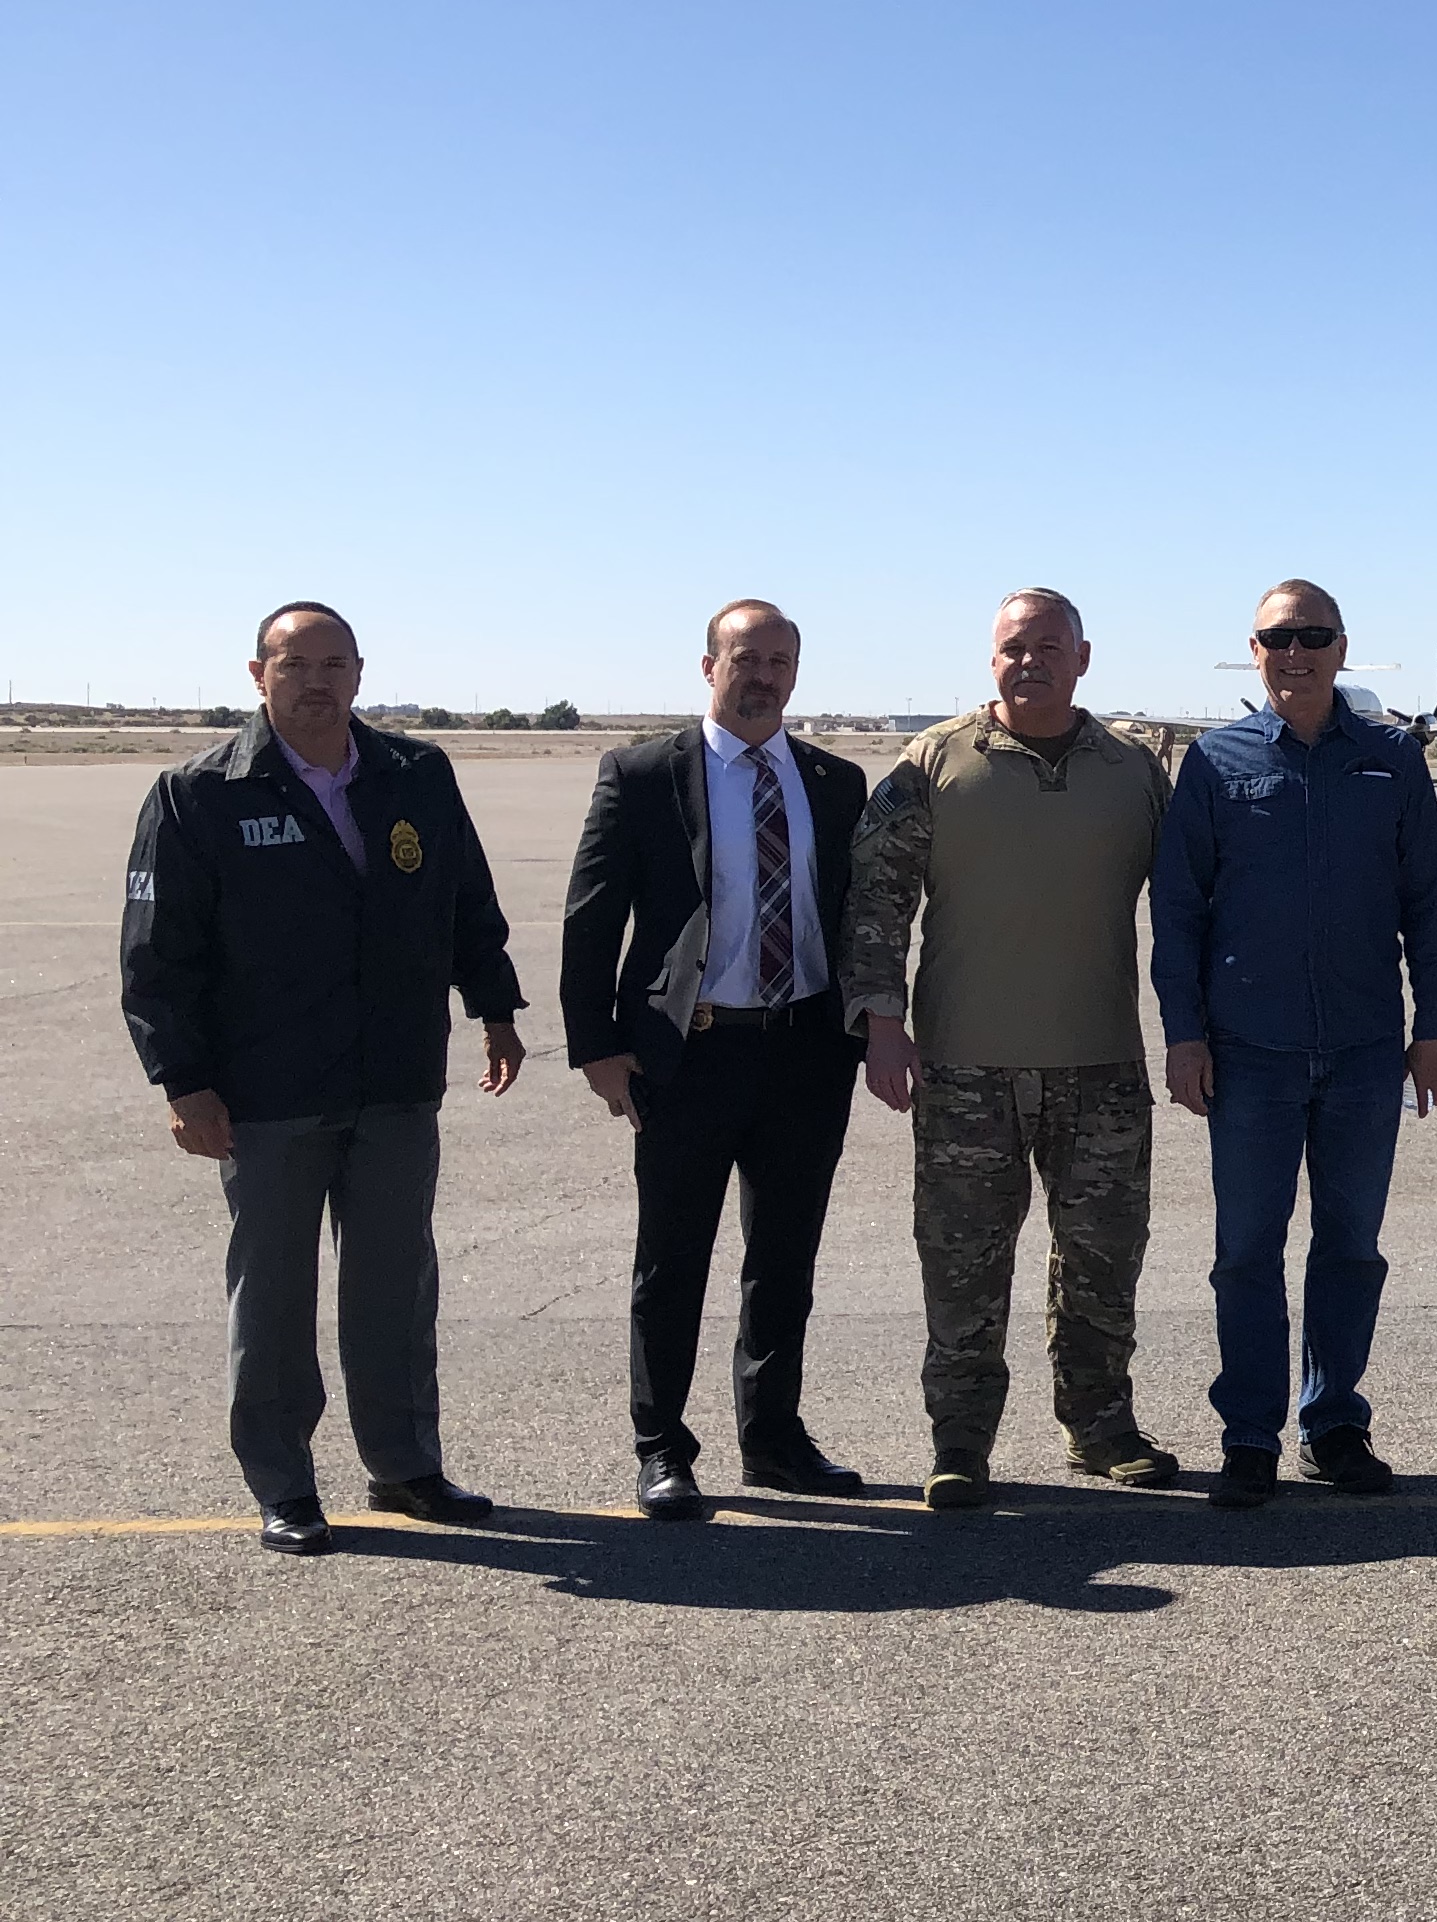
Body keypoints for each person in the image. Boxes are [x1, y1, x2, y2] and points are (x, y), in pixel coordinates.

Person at [117, 602, 525, 1553]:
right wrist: (181, 1081)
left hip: (393, 1080)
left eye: (334, 664)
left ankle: (406, 1467)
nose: (316, 682)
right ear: (258, 676)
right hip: (266, 1093)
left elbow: (466, 897)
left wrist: (494, 1007)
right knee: (272, 1295)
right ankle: (285, 1484)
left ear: (359, 674)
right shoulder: (199, 794)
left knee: (394, 1287)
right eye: (295, 665)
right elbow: (155, 956)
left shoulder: (416, 773)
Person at [846, 588, 1177, 1511]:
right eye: (1010, 647)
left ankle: (1100, 1423)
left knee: (1104, 1260)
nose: (1027, 661)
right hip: (965, 1069)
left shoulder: (1132, 769)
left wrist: (1198, 1029)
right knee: (962, 1266)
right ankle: (960, 1441)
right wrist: (881, 1023)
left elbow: (1191, 906)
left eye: (1046, 647)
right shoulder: (935, 762)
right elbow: (877, 900)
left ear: (1083, 657)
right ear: (991, 659)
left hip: (1102, 1063)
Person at [558, 599, 872, 1520]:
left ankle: (773, 1439)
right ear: (708, 667)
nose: (763, 675)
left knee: (784, 1258)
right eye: (746, 658)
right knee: (673, 1259)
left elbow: (857, 914)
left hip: (806, 1052)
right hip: (687, 1057)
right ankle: (662, 1447)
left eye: (780, 660)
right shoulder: (646, 772)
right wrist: (599, 1050)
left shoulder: (833, 781)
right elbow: (591, 920)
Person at [1152, 581, 1437, 1510]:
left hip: (1367, 1049)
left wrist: (1434, 1025)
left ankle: (1333, 1422)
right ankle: (1249, 1431)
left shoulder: (1392, 760)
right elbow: (1179, 913)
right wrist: (1184, 1035)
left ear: (1341, 647)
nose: (1297, 653)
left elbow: (1423, 908)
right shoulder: (1214, 763)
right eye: (1279, 638)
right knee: (1247, 1249)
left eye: (1313, 636)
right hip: (1251, 1052)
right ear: (1254, 651)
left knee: (1351, 1246)